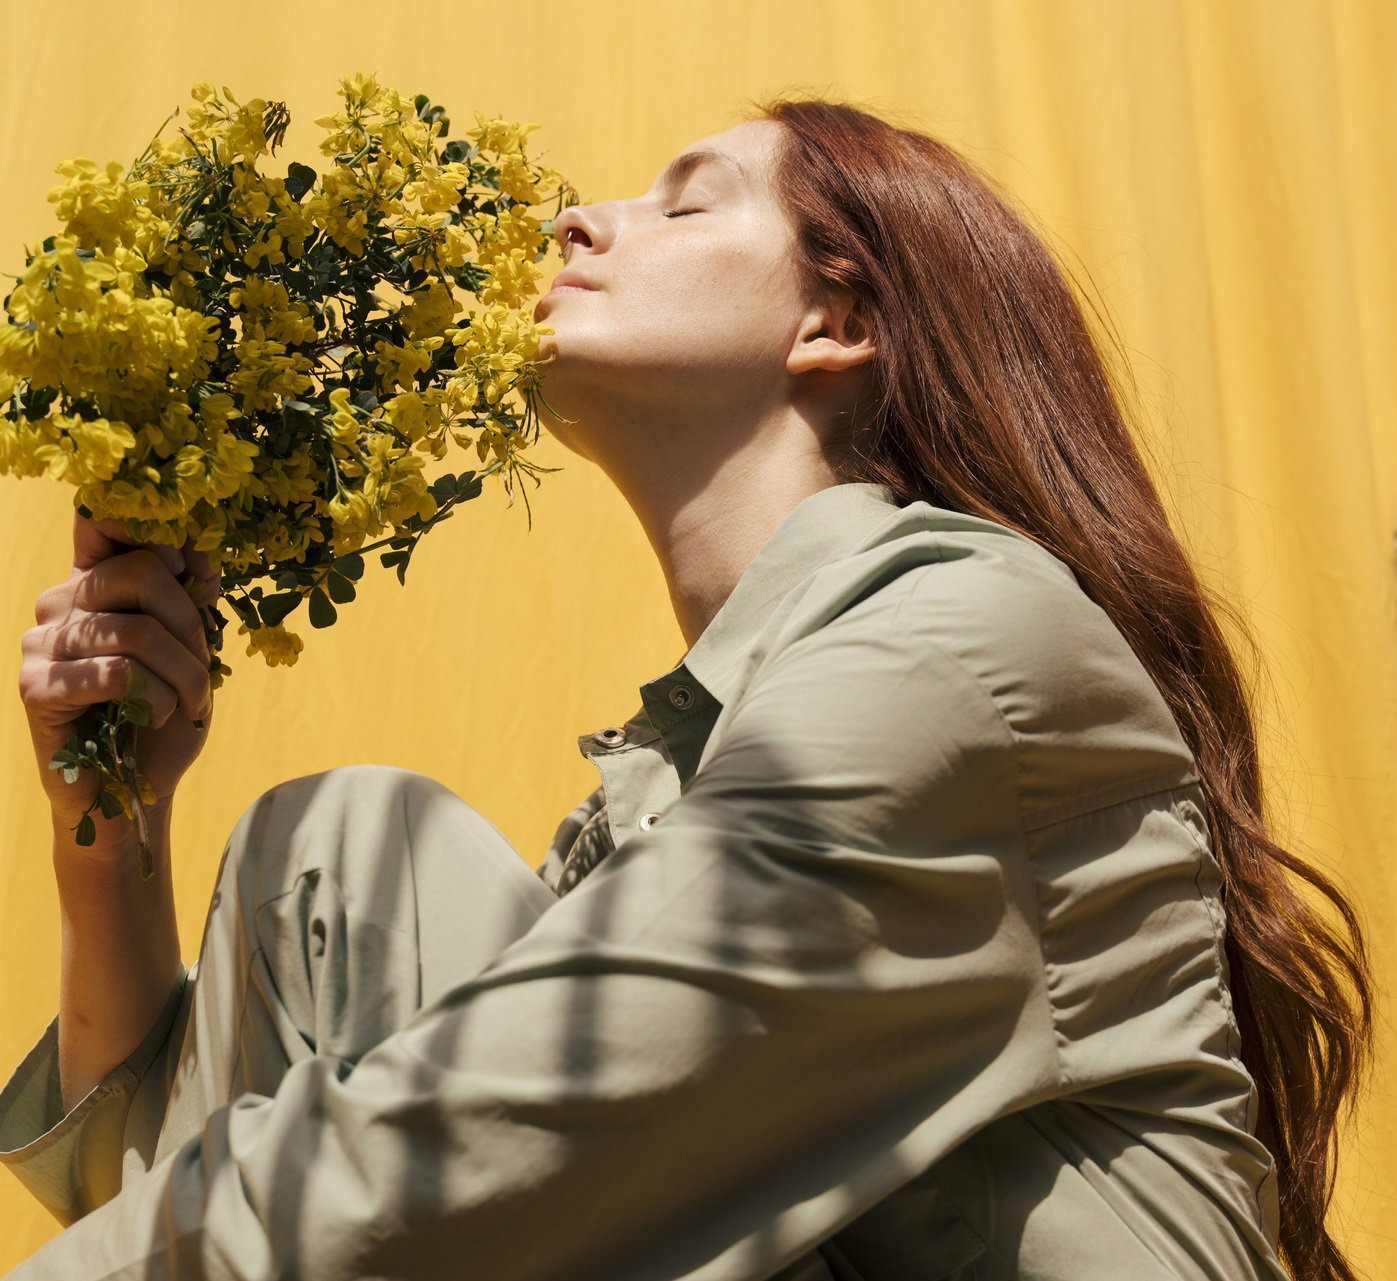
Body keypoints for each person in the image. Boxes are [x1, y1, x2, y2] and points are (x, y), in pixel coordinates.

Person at [0, 97, 1374, 1281]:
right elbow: (184, 1189)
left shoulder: (963, 647)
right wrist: (108, 822)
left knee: (366, 884)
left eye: (682, 204)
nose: (577, 222)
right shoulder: (666, 796)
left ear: (834, 318)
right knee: (345, 861)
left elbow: (470, 1144)